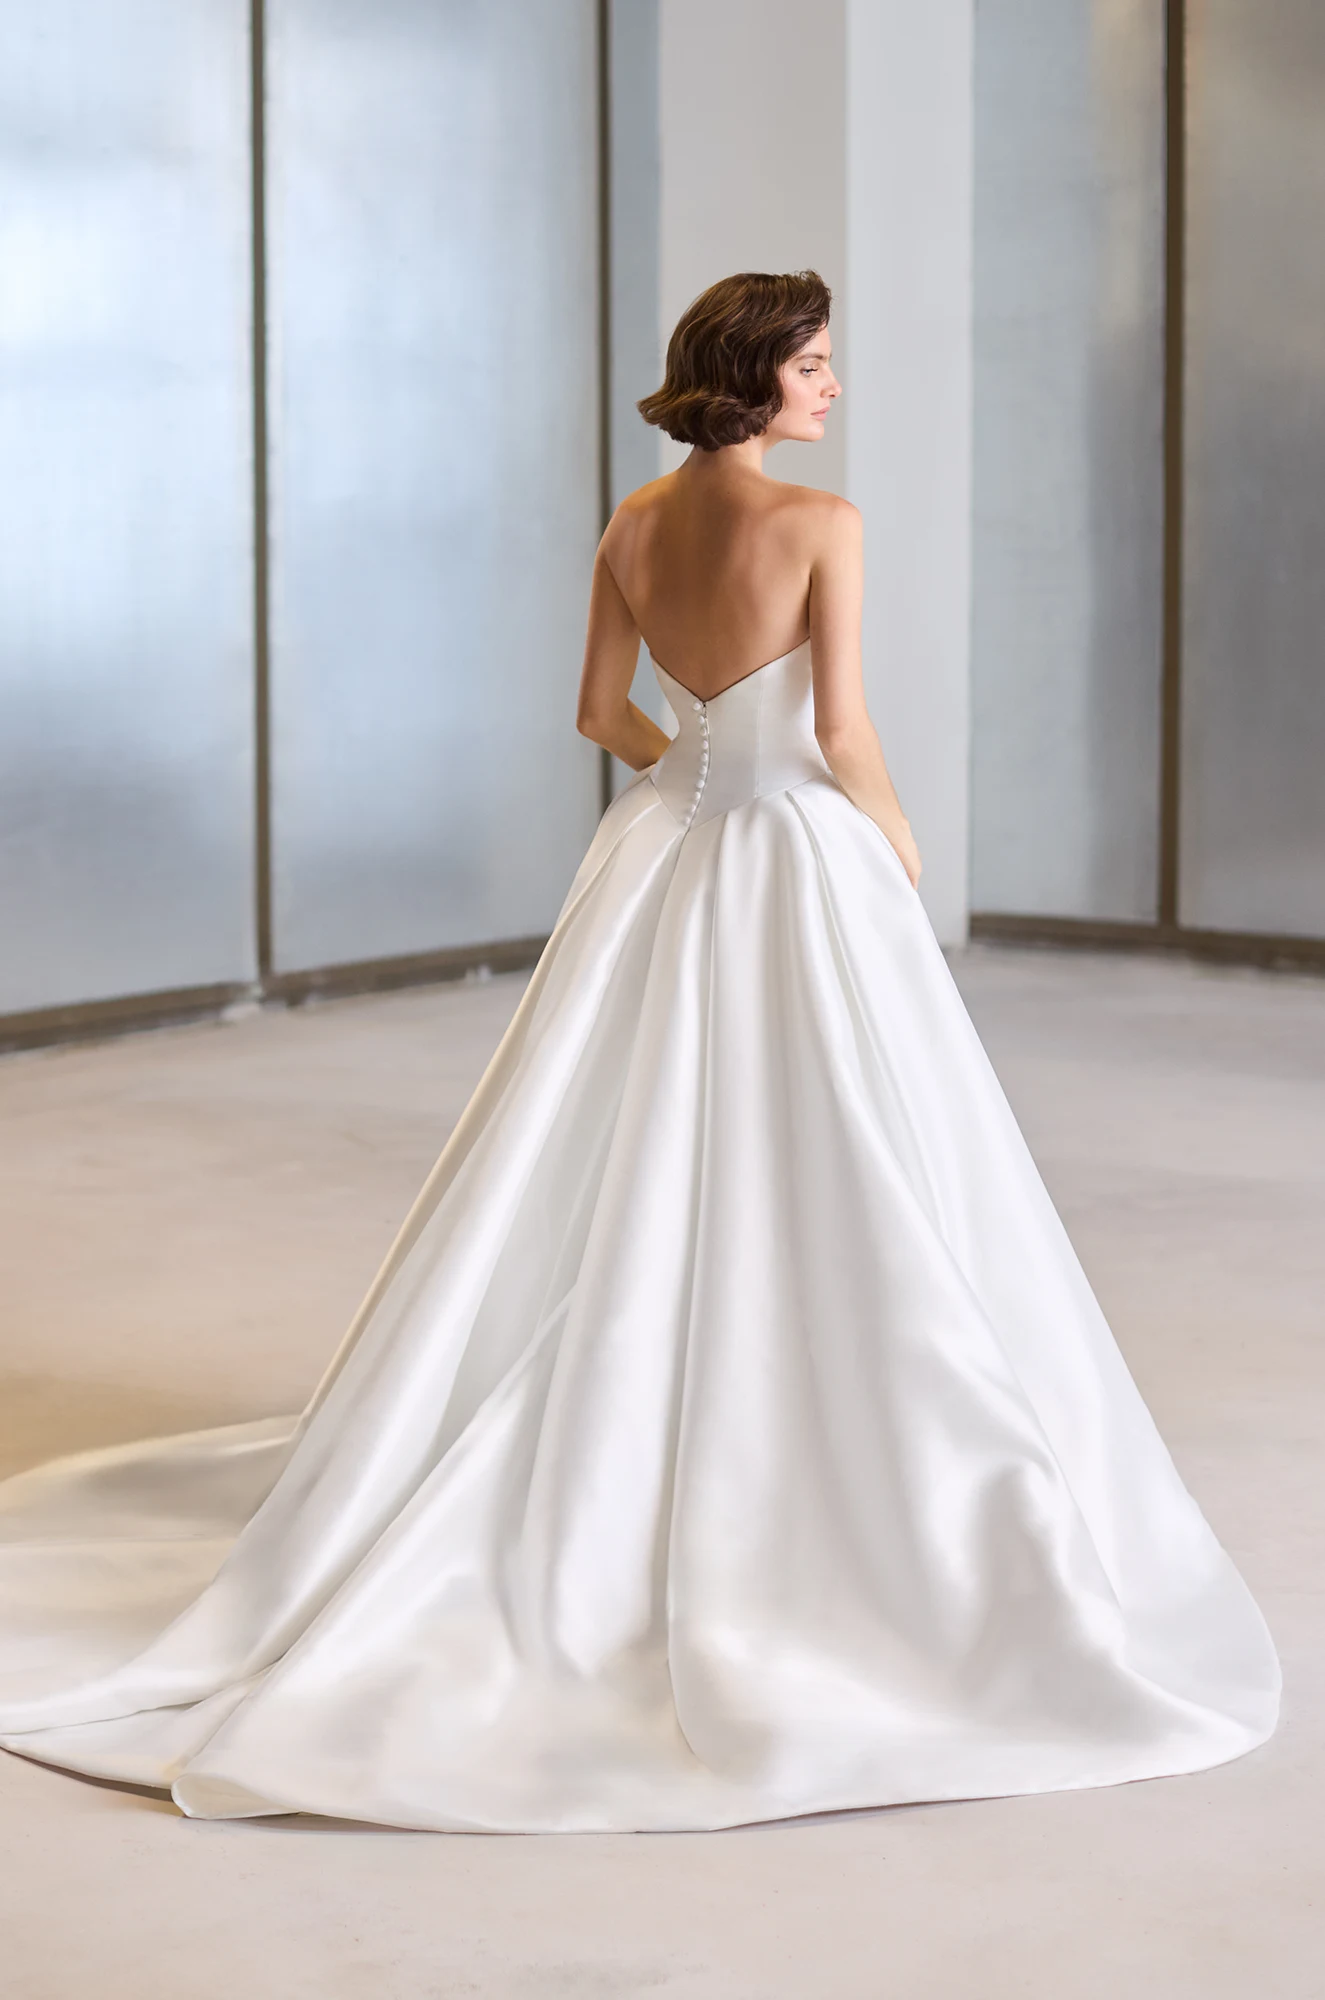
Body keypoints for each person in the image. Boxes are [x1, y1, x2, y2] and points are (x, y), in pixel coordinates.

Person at [0, 271, 1279, 1833]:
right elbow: (850, 730)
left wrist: (700, 770)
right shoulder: (825, 525)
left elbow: (599, 710)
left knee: (611, 1141)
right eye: (812, 365)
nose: (830, 386)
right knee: (844, 1144)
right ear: (752, 377)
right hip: (790, 854)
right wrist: (886, 840)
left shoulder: (629, 519)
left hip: (660, 854)